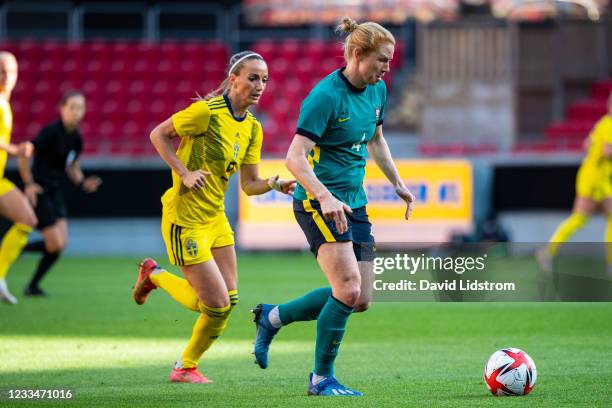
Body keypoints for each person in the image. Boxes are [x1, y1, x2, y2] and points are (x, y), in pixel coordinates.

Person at [252, 17, 415, 397]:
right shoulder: (325, 96)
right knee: (347, 289)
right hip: (317, 203)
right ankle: (321, 379)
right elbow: (294, 157)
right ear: (358, 54)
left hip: (354, 204)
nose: (387, 69)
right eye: (382, 60)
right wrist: (324, 195)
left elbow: (376, 139)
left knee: (360, 300)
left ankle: (272, 317)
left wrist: (397, 182)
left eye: (390, 62)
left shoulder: (377, 91)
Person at [132, 50, 295, 384]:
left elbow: (249, 185)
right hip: (186, 219)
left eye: (264, 79)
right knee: (217, 305)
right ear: (233, 79)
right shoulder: (206, 112)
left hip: (216, 219)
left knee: (228, 300)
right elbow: (158, 134)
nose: (260, 85)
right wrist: (184, 171)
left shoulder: (252, 127)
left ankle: (156, 281)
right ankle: (183, 362)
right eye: (252, 77)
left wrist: (274, 184)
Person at [17, 90, 101, 296]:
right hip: (40, 190)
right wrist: (29, 184)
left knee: (60, 245)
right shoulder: (51, 132)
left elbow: (71, 166)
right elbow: (23, 154)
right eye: (72, 107)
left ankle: (32, 286)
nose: (76, 112)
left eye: (80, 108)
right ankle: (9, 252)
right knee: (54, 243)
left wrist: (83, 182)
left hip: (55, 190)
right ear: (62, 109)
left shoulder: (76, 138)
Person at [537, 92, 612, 272]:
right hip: (595, 180)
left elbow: (586, 144)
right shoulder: (609, 125)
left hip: (596, 178)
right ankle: (548, 251)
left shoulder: (602, 123)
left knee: (583, 219)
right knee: (579, 218)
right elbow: (608, 151)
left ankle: (548, 252)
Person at [0, 51, 37, 305]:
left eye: (9, 71)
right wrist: (15, 149)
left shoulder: (5, 103)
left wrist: (28, 182)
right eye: (1, 71)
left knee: (26, 219)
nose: (5, 76)